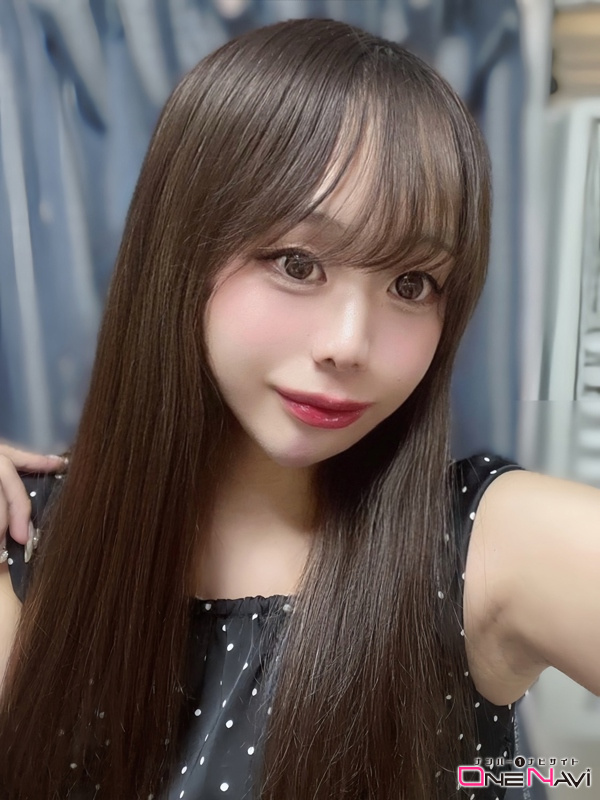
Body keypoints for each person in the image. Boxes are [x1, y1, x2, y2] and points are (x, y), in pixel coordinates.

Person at [0, 16, 598, 800]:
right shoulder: (30, 545)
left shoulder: (484, 547)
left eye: (411, 284)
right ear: (179, 248)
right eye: (297, 263)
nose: (349, 344)